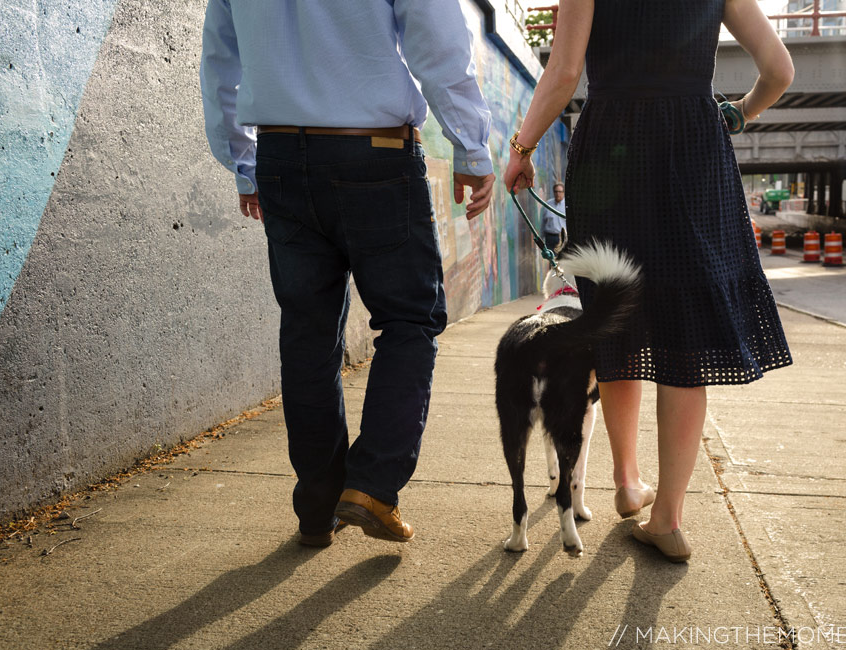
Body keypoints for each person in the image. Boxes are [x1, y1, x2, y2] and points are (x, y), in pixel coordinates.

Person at [503, 0, 794, 562]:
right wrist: (735, 115)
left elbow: (564, 72)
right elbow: (778, 70)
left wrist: (522, 148)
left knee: (617, 319)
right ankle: (667, 518)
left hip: (612, 150)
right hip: (694, 149)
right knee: (685, 334)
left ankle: (626, 481)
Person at [200, 1, 495, 547]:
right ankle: (372, 486)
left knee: (307, 334)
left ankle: (317, 507)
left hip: (281, 156)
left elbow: (221, 55)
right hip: (374, 153)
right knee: (410, 320)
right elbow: (438, 39)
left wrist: (242, 161)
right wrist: (471, 145)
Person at [541, 182, 567, 255]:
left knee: (562, 258)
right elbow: (543, 222)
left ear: (563, 192)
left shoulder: (567, 205)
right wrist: (541, 237)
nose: (557, 194)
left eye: (560, 192)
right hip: (550, 237)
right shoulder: (548, 204)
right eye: (556, 191)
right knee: (551, 258)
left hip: (562, 237)